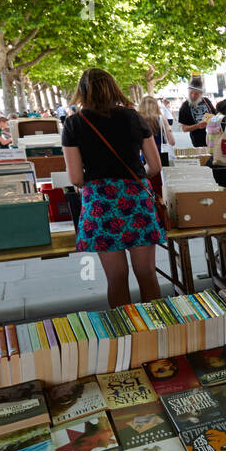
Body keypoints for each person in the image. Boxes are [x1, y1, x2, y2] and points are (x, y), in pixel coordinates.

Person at [61, 67, 164, 308]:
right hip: (136, 198)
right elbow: (155, 166)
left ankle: (125, 334)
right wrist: (135, 179)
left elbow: (75, 177)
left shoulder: (74, 123)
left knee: (116, 278)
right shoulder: (134, 117)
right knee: (147, 273)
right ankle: (159, 329)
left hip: (101, 203)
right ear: (114, 88)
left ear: (82, 92)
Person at [178, 76, 216, 148]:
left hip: (213, 139)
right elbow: (184, 129)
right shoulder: (185, 106)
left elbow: (215, 116)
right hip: (198, 142)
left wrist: (210, 121)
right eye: (191, 93)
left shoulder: (206, 101)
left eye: (196, 94)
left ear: (201, 94)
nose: (193, 96)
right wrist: (197, 126)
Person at [138, 95, 173, 164]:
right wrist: (168, 127)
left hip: (144, 158)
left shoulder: (138, 119)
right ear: (156, 106)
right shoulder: (161, 119)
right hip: (161, 156)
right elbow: (172, 141)